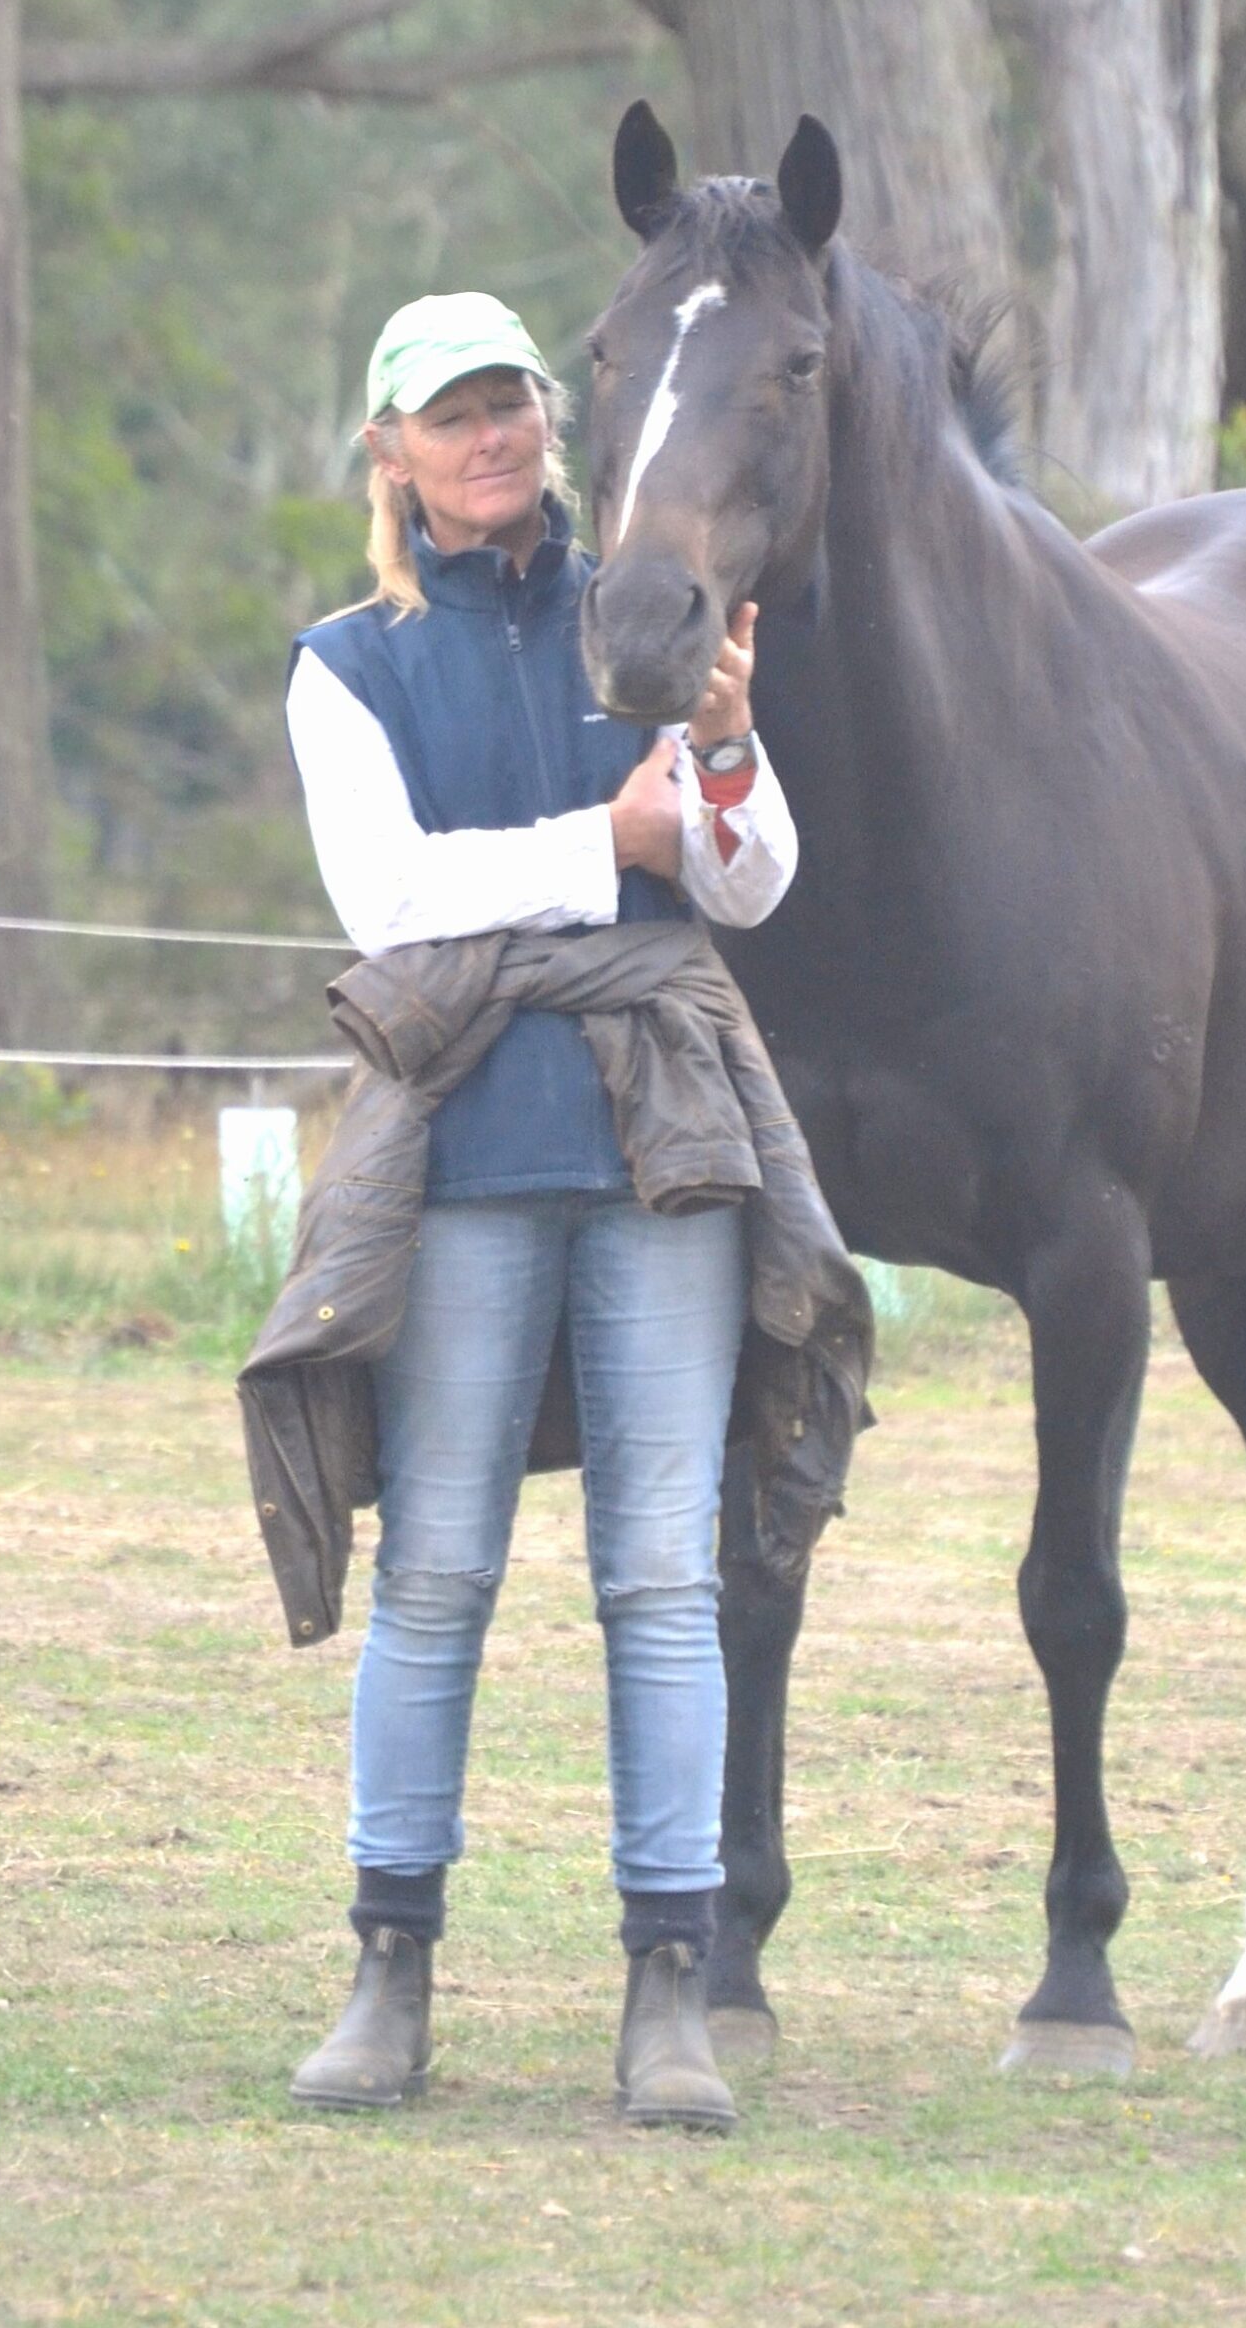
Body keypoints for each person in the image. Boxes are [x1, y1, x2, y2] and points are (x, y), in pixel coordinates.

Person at [282, 291, 798, 2130]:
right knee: (436, 1577)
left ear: (547, 425)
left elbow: (751, 883)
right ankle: (388, 1970)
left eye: (510, 402)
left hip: (665, 1170)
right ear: (392, 451)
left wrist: (723, 757)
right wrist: (615, 847)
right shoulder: (348, 665)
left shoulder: (647, 612)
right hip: (465, 1171)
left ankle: (670, 1992)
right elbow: (392, 903)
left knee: (662, 1580)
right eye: (451, 415)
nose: (490, 435)